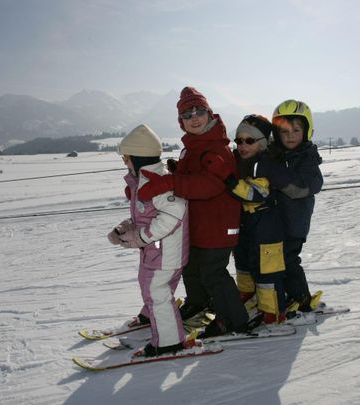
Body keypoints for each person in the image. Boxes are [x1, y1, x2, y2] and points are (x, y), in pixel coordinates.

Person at [137, 86, 248, 338]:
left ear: (210, 115)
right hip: (199, 226)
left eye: (199, 111)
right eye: (188, 115)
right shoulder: (194, 147)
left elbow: (210, 184)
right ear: (181, 122)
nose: (194, 117)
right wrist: (177, 171)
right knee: (191, 267)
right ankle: (199, 303)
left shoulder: (217, 149)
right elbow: (193, 176)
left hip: (219, 226)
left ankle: (232, 319)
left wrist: (172, 182)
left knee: (213, 272)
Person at [107, 123, 189, 356]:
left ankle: (169, 342)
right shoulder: (143, 181)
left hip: (165, 254)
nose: (125, 163)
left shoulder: (157, 182)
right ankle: (151, 317)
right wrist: (126, 228)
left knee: (157, 292)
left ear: (138, 158)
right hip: (157, 252)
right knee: (152, 289)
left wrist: (141, 236)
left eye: (126, 159)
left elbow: (174, 213)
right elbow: (147, 215)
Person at [257, 99, 324, 311]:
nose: (291, 135)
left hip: (295, 223)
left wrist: (272, 172)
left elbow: (301, 188)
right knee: (273, 262)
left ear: (307, 130)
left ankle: (302, 298)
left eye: (296, 130)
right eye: (284, 132)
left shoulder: (307, 159)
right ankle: (283, 296)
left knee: (289, 260)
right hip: (276, 222)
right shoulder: (276, 155)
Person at [226, 114, 288, 324]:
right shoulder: (238, 162)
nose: (243, 145)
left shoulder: (266, 164)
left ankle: (273, 311)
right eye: (239, 140)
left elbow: (256, 193)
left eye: (249, 140)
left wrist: (232, 183)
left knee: (267, 272)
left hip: (267, 227)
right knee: (242, 260)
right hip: (246, 224)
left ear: (262, 143)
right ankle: (246, 293)